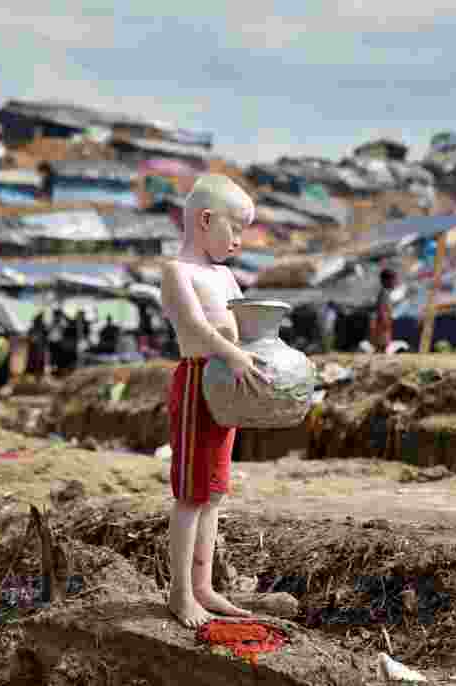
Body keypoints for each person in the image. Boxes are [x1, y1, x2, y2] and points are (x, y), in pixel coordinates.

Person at [160, 174, 268, 628]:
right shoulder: (176, 271)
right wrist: (233, 353)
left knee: (215, 491)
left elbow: (243, 323)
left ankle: (205, 587)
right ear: (205, 220)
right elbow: (197, 326)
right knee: (190, 494)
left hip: (227, 384)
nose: (239, 242)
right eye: (235, 228)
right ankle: (180, 594)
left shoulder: (225, 276)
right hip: (199, 381)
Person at [371, 268, 397, 352]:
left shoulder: (386, 293)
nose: (394, 283)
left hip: (385, 322)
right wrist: (385, 320)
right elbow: (381, 308)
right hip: (383, 323)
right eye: (393, 280)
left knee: (384, 344)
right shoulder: (384, 293)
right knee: (382, 344)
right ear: (385, 281)